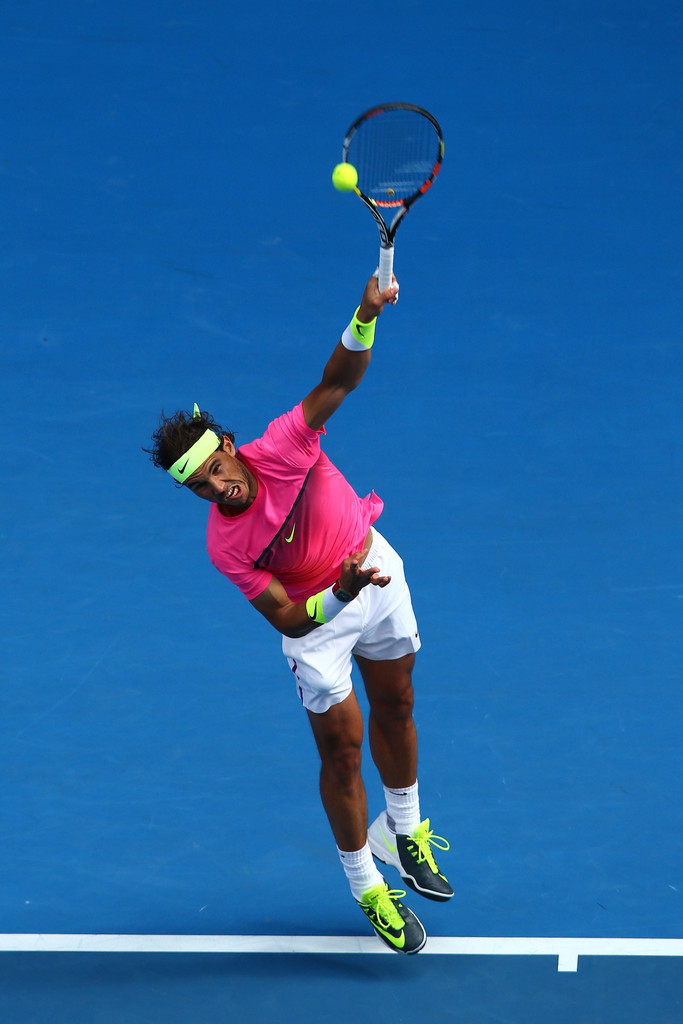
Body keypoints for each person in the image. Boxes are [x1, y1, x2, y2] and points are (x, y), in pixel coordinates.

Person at [147, 272, 452, 954]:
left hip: (373, 568)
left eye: (213, 471)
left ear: (228, 445)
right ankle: (365, 886)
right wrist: (337, 594)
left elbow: (338, 380)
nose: (213, 490)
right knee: (341, 753)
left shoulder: (285, 444)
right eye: (196, 488)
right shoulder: (224, 544)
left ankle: (403, 830)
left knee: (397, 703)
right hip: (322, 619)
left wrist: (365, 313)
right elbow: (288, 619)